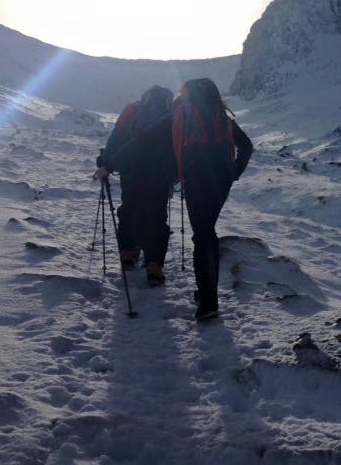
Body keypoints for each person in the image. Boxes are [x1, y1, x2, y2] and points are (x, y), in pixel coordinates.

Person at [95, 78, 252, 321]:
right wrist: (234, 172)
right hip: (221, 181)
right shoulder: (223, 118)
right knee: (206, 231)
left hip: (196, 177)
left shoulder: (180, 115)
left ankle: (209, 303)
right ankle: (206, 294)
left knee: (202, 235)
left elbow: (141, 142)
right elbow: (247, 146)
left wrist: (111, 164)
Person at [97, 85, 174, 283]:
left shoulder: (132, 110)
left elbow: (116, 138)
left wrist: (107, 161)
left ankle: (127, 254)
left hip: (131, 170)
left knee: (129, 208)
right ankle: (154, 266)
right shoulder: (171, 113)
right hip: (161, 173)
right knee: (157, 215)